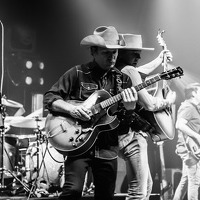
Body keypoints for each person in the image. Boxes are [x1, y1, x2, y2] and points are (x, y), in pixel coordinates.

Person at [43, 26, 138, 200]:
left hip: (107, 148)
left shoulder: (123, 80)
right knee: (72, 191)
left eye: (115, 52)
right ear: (93, 51)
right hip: (78, 144)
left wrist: (130, 109)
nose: (112, 56)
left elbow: (123, 128)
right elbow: (50, 97)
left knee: (106, 196)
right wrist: (72, 109)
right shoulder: (78, 72)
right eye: (106, 52)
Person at [115, 33, 176, 200]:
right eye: (134, 52)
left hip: (119, 135)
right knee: (139, 192)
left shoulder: (118, 70)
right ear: (121, 52)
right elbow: (149, 104)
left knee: (146, 186)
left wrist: (159, 59)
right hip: (132, 135)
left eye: (139, 52)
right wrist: (167, 101)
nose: (139, 56)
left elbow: (139, 73)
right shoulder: (129, 70)